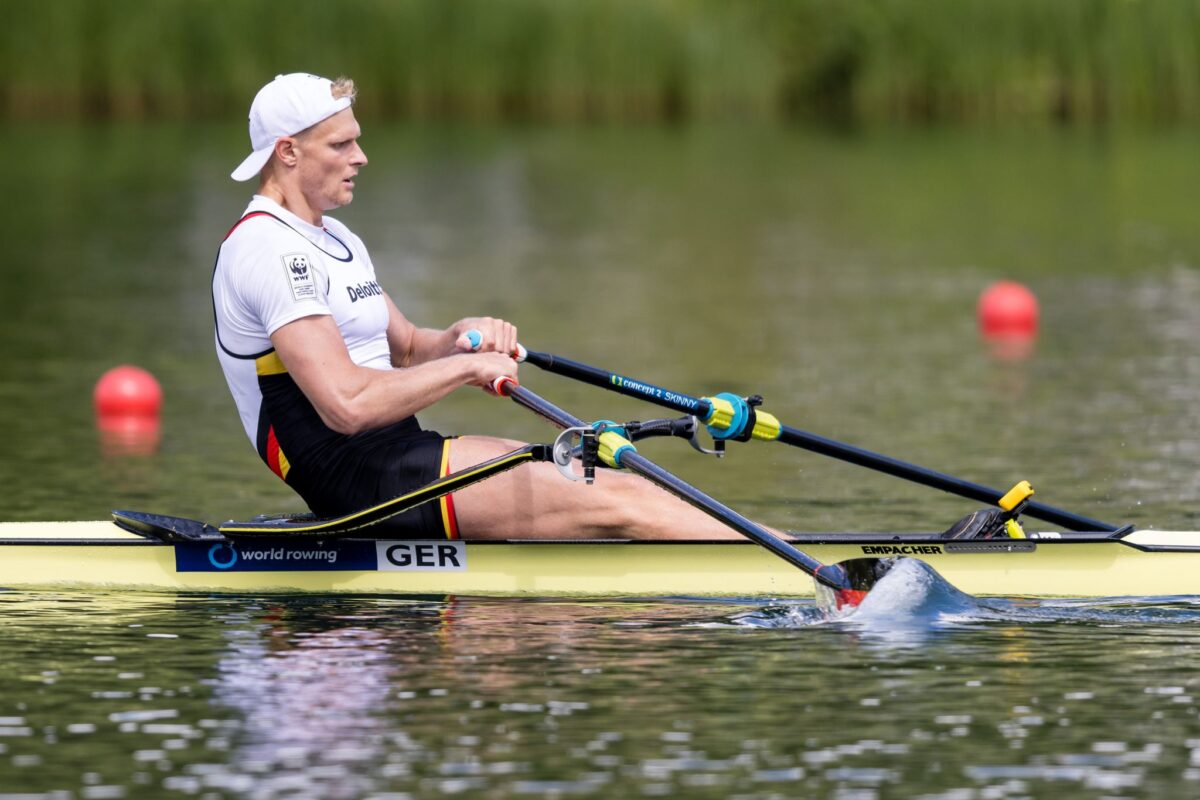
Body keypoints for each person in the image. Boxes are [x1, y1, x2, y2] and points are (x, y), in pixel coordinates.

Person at [213, 72, 743, 541]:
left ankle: (790, 556)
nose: (361, 157)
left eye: (358, 141)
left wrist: (454, 340)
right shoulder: (268, 248)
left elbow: (407, 349)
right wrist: (465, 367)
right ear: (288, 152)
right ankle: (806, 569)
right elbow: (345, 405)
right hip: (355, 476)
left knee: (610, 490)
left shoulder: (335, 237)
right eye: (342, 144)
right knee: (623, 500)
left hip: (399, 455)